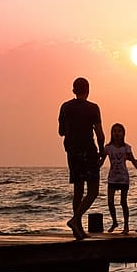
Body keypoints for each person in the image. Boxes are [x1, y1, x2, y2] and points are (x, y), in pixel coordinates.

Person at [58, 77, 104, 240]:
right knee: (93, 191)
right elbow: (99, 133)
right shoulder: (93, 108)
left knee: (78, 190)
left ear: (73, 91)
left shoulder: (65, 107)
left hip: (72, 152)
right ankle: (75, 220)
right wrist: (102, 151)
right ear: (88, 90)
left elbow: (61, 132)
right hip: (88, 151)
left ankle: (78, 229)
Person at [99, 123, 137, 234]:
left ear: (123, 133)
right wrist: (95, 168)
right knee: (110, 201)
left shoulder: (126, 147)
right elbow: (101, 161)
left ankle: (126, 226)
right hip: (112, 178)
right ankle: (114, 222)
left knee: (123, 202)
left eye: (119, 131)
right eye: (115, 131)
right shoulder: (108, 148)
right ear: (111, 134)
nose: (117, 133)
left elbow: (132, 160)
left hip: (123, 178)